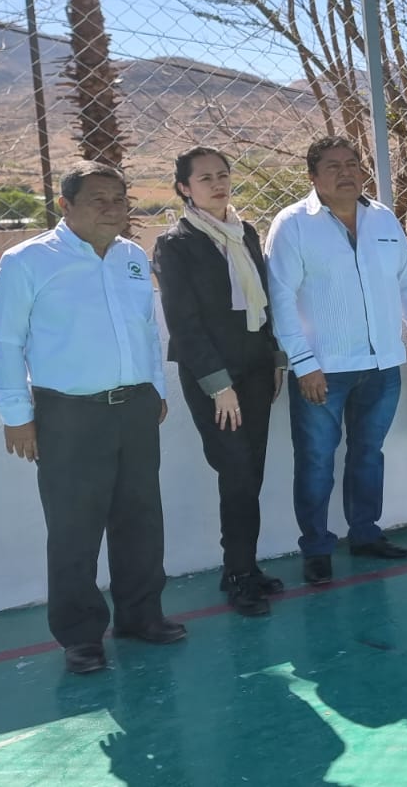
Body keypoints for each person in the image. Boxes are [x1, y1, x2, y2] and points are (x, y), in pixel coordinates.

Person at [0, 161, 183, 673]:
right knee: (74, 527)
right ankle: (80, 635)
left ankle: (141, 615)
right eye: (98, 199)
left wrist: (156, 388)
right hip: (67, 414)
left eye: (119, 199)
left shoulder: (131, 257)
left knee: (140, 519)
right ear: (65, 205)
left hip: (135, 407)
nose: (112, 209)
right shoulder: (28, 261)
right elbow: (5, 341)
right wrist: (16, 415)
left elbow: (146, 329)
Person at [265, 136, 407, 586]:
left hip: (382, 365)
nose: (346, 172)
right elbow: (280, 298)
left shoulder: (383, 218)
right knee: (316, 461)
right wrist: (304, 362)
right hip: (323, 369)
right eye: (333, 166)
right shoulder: (292, 225)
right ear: (312, 176)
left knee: (368, 455)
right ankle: (317, 548)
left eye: (353, 163)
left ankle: (365, 534)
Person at [153, 146, 287, 617]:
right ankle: (239, 575)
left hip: (255, 369)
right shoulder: (175, 244)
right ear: (184, 188)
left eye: (223, 175)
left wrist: (275, 358)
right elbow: (183, 323)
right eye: (205, 178)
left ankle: (242, 567)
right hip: (214, 379)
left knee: (252, 471)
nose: (217, 184)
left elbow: (265, 301)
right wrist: (218, 385)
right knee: (236, 471)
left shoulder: (245, 232)